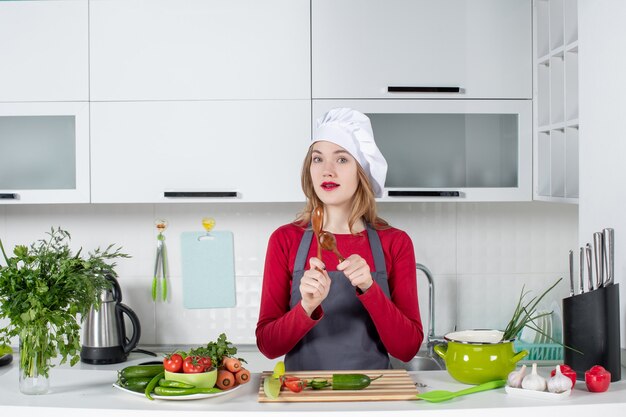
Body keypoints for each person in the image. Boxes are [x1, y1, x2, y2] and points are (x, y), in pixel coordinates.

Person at [255, 108, 423, 370]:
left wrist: (370, 289)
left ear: (362, 172)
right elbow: (268, 346)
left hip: (374, 397)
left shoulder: (395, 243)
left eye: (342, 160)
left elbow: (407, 349)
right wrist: (306, 306)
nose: (327, 171)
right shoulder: (285, 239)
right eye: (318, 159)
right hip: (305, 400)